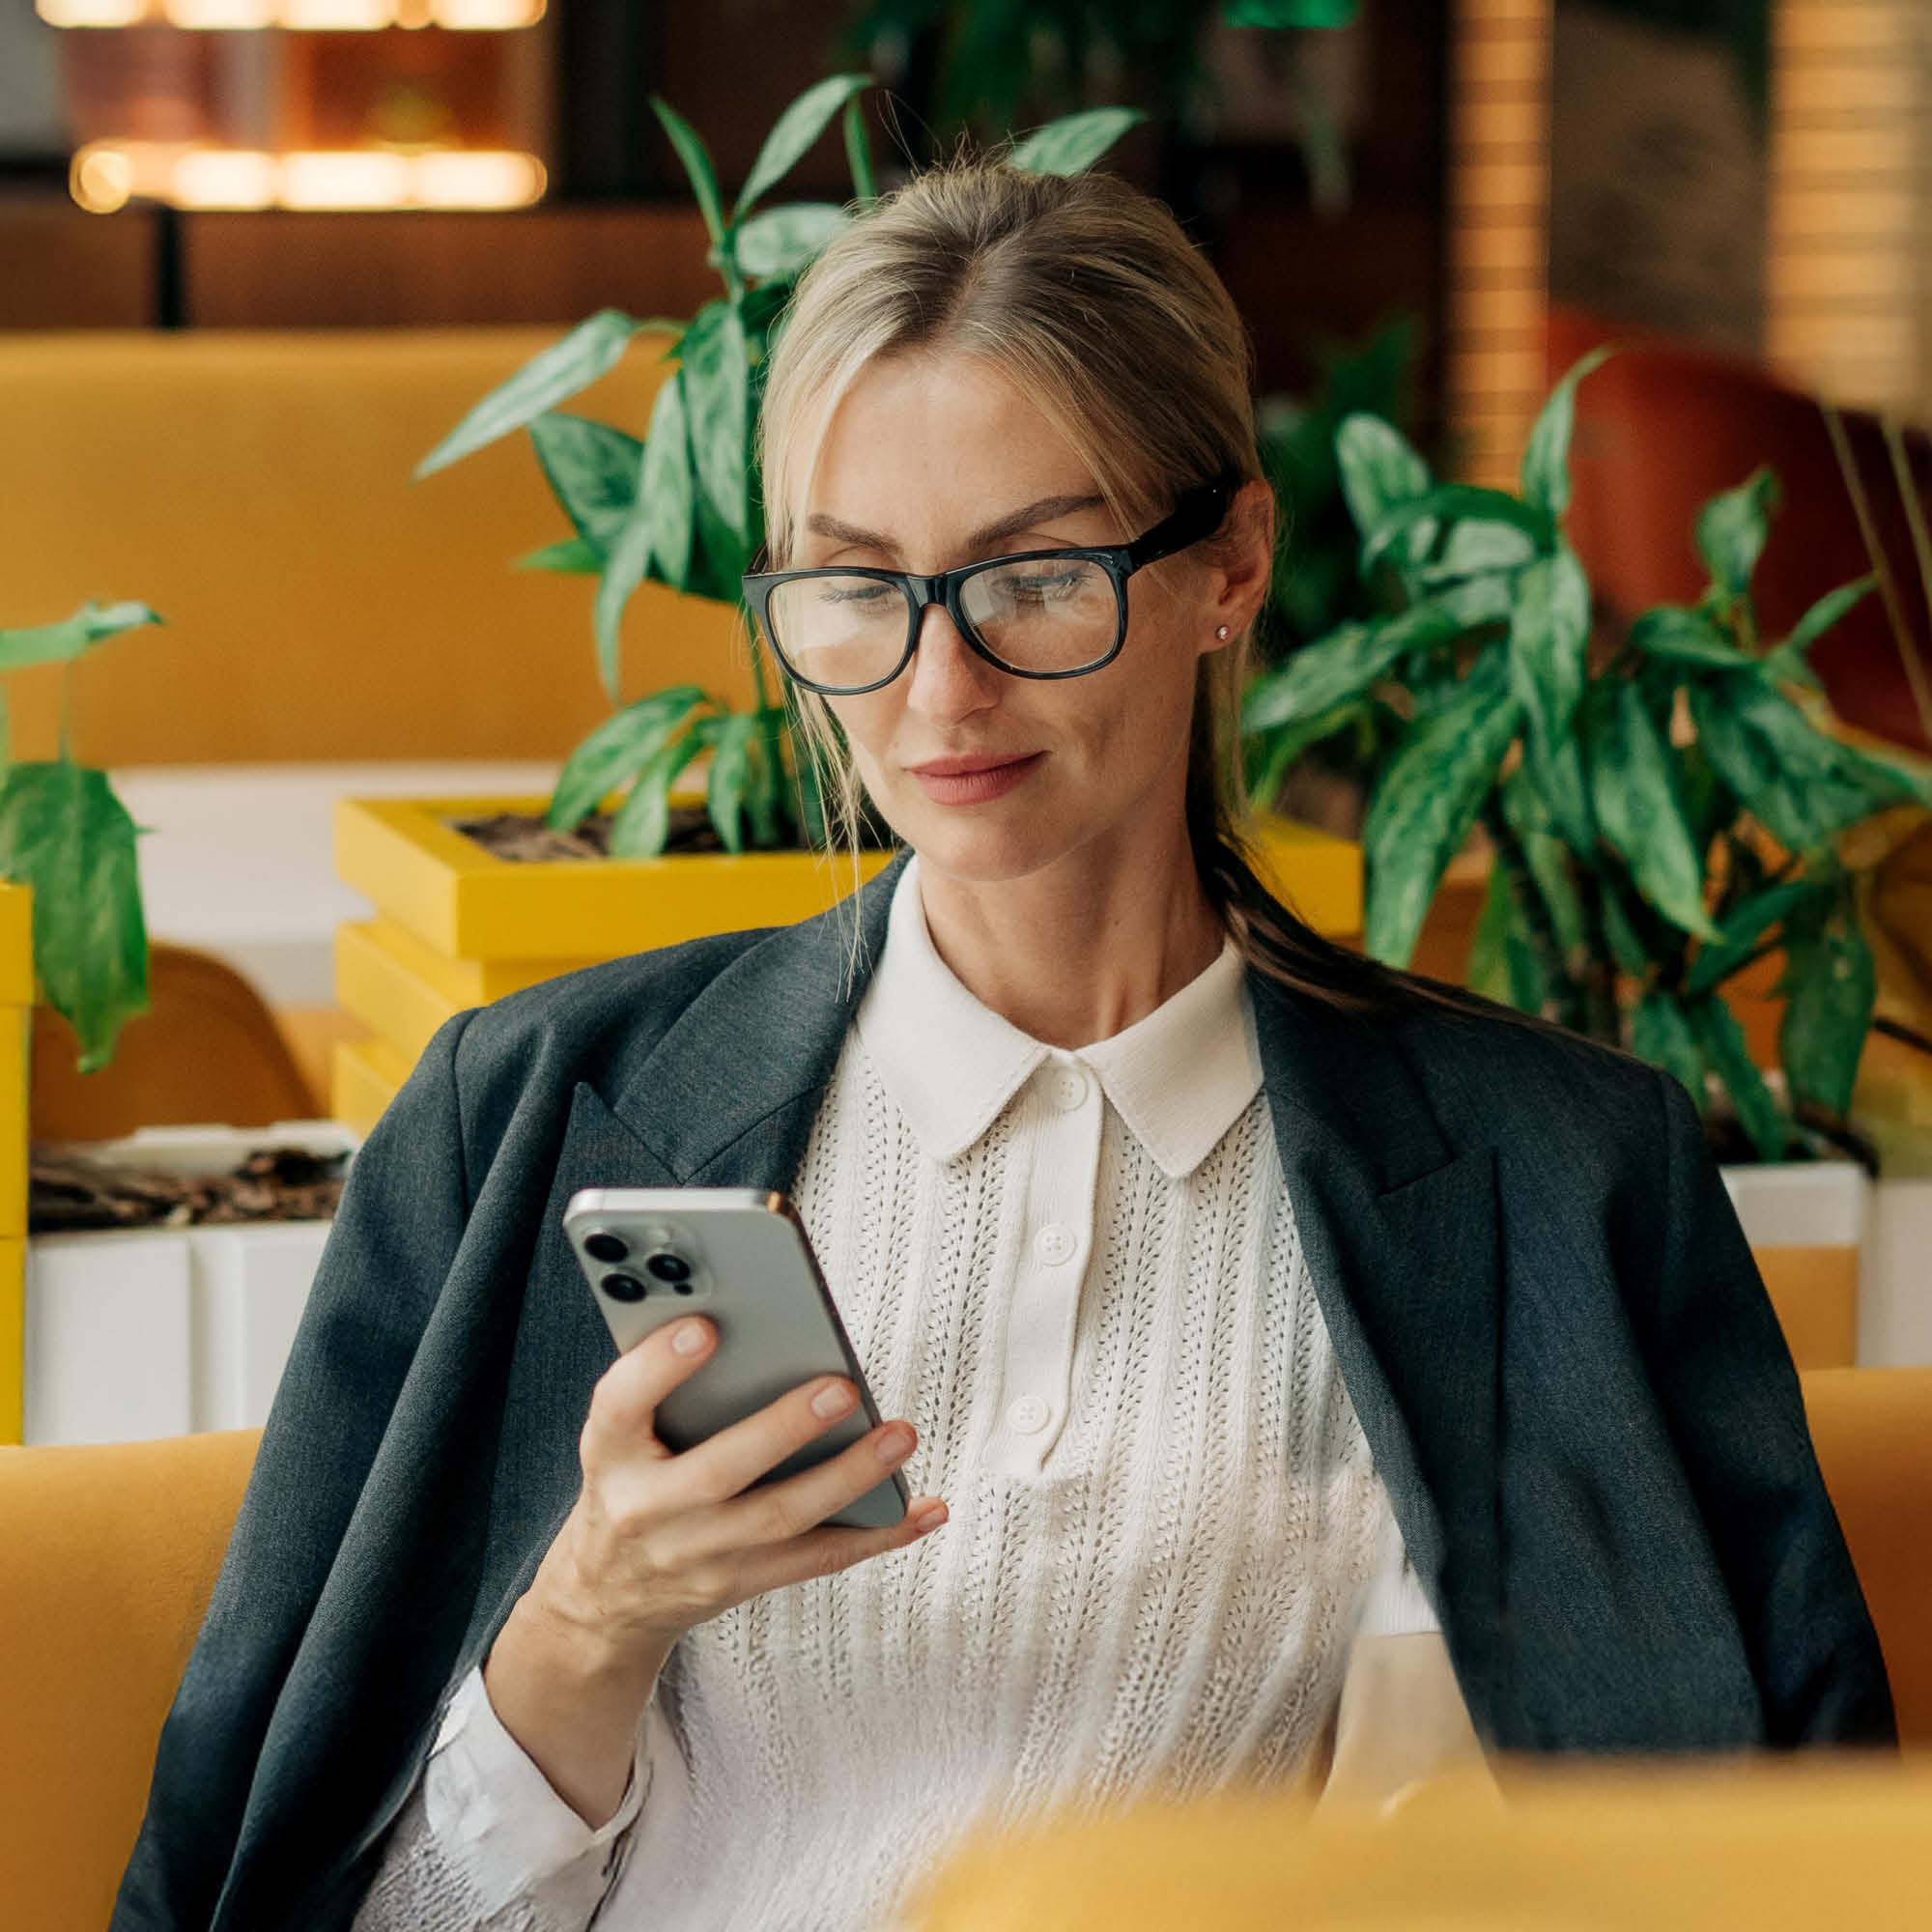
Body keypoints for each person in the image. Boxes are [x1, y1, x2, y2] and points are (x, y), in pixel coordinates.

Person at [110, 154, 1892, 1932]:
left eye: (1037, 575)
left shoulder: (1559, 1178)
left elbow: (1769, 1858)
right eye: (857, 585)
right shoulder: (531, 1116)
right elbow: (293, 1898)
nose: (938, 692)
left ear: (1231, 566)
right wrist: (591, 1615)